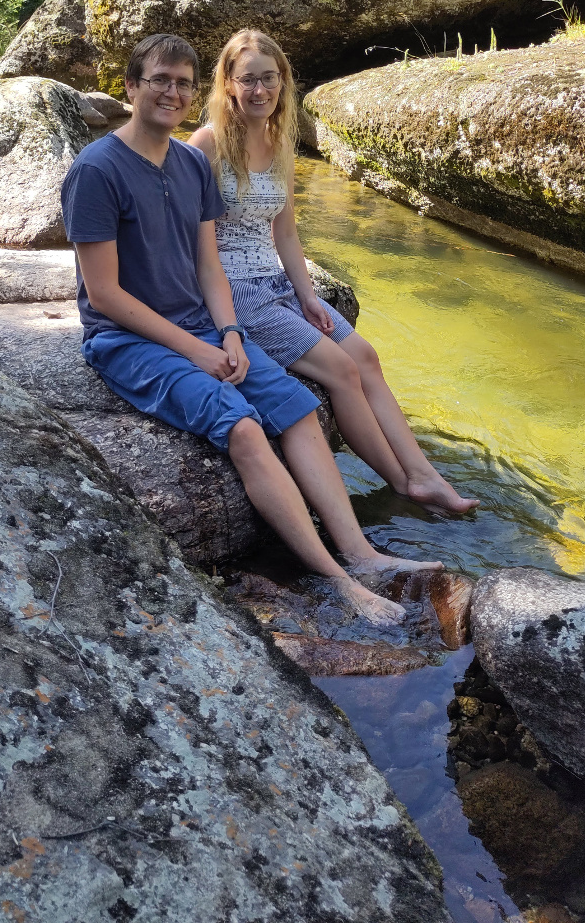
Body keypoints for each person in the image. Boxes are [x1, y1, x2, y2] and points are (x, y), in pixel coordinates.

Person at [61, 33, 443, 627]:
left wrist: (232, 334)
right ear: (131, 87)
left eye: (183, 83)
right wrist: (197, 349)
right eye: (159, 80)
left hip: (205, 325)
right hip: (127, 341)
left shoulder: (190, 164)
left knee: (297, 409)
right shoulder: (96, 170)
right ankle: (339, 581)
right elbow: (105, 294)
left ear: (195, 93)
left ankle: (363, 554)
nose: (172, 92)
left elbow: (211, 266)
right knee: (241, 426)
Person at [189, 29, 480, 515]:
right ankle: (404, 484)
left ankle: (425, 473)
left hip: (277, 285)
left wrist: (306, 295)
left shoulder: (280, 143)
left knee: (365, 356)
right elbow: (189, 239)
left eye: (269, 79)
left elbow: (285, 235)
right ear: (228, 85)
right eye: (248, 80)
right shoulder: (207, 144)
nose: (260, 91)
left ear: (283, 83)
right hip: (237, 293)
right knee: (342, 372)